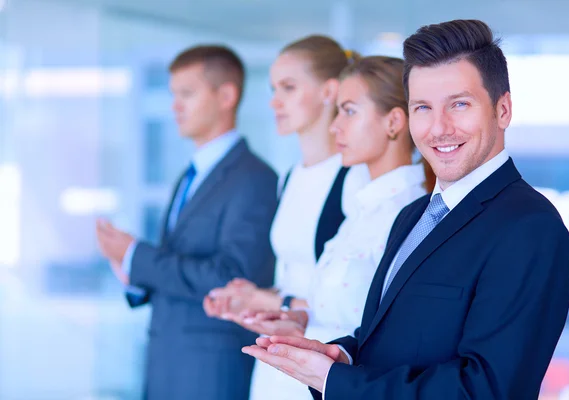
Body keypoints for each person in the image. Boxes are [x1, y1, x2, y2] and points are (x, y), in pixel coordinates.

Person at [241, 19, 569, 400]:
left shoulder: (530, 227)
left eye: (459, 104)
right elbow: (397, 338)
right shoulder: (413, 216)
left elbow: (488, 390)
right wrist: (343, 356)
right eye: (423, 108)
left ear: (503, 110)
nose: (438, 128)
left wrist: (338, 382)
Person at [207, 55, 435, 400]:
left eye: (349, 111)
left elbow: (394, 333)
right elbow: (342, 305)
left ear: (393, 122)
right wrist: (294, 318)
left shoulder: (409, 214)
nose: (335, 126)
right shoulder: (362, 209)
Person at [95, 45, 278, 400]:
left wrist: (137, 255)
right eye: (173, 95)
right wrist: (134, 273)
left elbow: (232, 277)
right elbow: (180, 266)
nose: (174, 106)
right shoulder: (190, 175)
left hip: (210, 370)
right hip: (168, 363)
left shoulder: (255, 178)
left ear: (227, 95)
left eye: (187, 94)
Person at [203, 35, 370, 400]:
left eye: (289, 88)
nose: (274, 101)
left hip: (325, 358)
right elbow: (293, 275)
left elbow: (359, 294)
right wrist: (253, 296)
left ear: (329, 91)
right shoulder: (290, 177)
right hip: (276, 360)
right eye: (273, 88)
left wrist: (275, 303)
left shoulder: (356, 179)